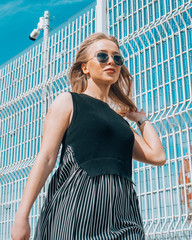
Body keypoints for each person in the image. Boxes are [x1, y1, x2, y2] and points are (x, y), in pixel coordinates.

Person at [11, 32, 166, 240]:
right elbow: (46, 158)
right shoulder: (68, 102)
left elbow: (157, 156)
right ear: (85, 67)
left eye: (117, 58)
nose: (111, 61)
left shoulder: (121, 123)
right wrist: (22, 215)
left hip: (124, 211)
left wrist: (141, 119)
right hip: (76, 206)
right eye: (102, 56)